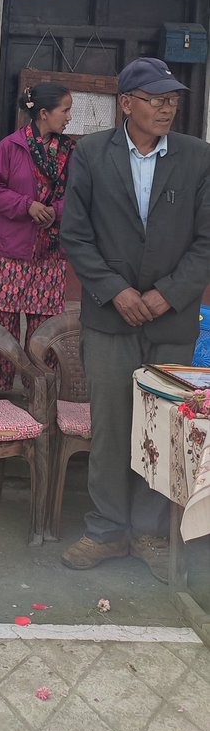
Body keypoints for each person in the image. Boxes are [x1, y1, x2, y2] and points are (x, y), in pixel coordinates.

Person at [60, 57, 210, 582]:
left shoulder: (198, 157)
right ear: (127, 104)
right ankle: (106, 529)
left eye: (172, 99)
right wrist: (115, 290)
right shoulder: (92, 154)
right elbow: (75, 235)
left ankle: (149, 531)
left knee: (162, 428)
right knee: (111, 427)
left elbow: (206, 242)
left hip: (171, 320)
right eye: (156, 98)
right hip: (110, 316)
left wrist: (167, 295)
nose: (168, 107)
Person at [0, 83, 74, 392]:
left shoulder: (70, 151)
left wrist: (55, 210)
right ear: (44, 113)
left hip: (50, 254)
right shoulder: (11, 146)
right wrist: (27, 206)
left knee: (43, 327)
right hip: (11, 252)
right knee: (2, 322)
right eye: (65, 110)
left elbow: (80, 193)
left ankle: (38, 392)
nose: (69, 117)